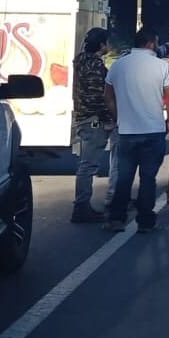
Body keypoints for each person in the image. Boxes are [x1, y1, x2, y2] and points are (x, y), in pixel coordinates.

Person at [103, 26, 169, 234]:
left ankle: (116, 218)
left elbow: (107, 96)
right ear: (151, 43)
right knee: (147, 178)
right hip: (153, 129)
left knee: (124, 177)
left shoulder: (119, 65)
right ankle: (145, 220)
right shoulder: (161, 67)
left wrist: (118, 116)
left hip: (127, 130)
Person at [70, 27, 113, 223]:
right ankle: (81, 206)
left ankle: (82, 205)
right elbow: (98, 96)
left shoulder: (80, 61)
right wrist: (107, 119)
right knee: (88, 166)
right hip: (93, 119)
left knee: (85, 165)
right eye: (106, 42)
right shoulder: (95, 66)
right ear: (101, 45)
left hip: (82, 116)